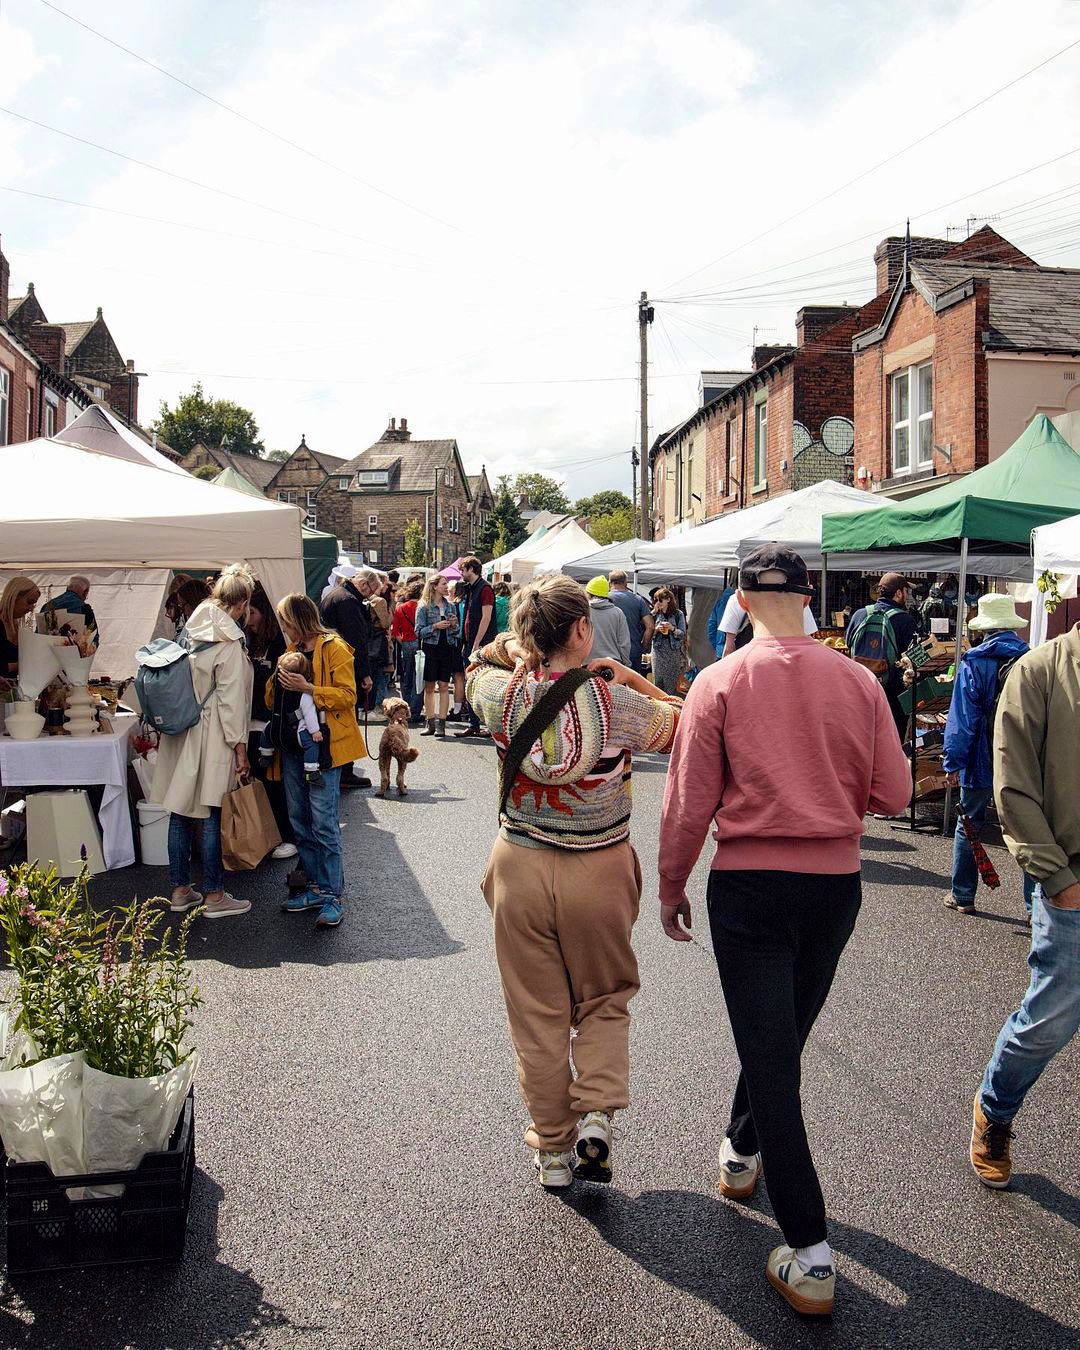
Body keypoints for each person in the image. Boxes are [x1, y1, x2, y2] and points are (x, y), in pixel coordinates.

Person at [658, 545, 910, 1318]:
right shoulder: (859, 680)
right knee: (780, 1037)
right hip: (832, 887)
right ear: (807, 595)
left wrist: (670, 886)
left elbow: (688, 802)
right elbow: (896, 794)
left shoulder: (720, 681)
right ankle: (740, 1151)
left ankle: (811, 1251)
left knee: (774, 1056)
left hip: (751, 887)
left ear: (740, 596)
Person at [467, 575, 682, 1190]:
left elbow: (475, 663)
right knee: (605, 996)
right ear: (583, 630)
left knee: (536, 1015)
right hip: (599, 867)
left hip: (520, 865)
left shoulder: (498, 696)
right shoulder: (615, 705)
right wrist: (628, 675)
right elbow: (684, 723)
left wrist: (509, 653)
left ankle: (553, 1153)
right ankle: (594, 1112)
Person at [969, 617, 1080, 1191]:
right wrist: (1058, 878)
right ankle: (996, 1109)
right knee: (1050, 1020)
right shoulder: (1038, 672)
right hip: (1071, 880)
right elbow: (1013, 787)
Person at [153, 565, 256, 921]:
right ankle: (214, 895)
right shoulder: (227, 643)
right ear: (241, 603)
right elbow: (231, 701)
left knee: (180, 811)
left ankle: (180, 889)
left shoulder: (190, 630)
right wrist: (240, 748)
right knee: (212, 812)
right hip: (213, 734)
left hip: (184, 727)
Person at [269, 593, 364, 928]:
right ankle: (315, 886)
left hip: (325, 747)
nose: (283, 627)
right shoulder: (292, 652)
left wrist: (308, 688)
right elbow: (272, 698)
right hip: (294, 746)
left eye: (285, 621)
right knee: (299, 819)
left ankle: (331, 894)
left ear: (298, 620)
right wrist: (278, 679)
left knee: (323, 819)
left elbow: (348, 697)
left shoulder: (334, 647)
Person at [942, 593, 1033, 917]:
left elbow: (962, 721)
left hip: (981, 757)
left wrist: (953, 762)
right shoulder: (1031, 659)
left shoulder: (973, 662)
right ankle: (1033, 906)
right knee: (1028, 830)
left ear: (985, 627)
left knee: (969, 823)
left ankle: (963, 895)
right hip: (1022, 759)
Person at [244, 588, 298, 864]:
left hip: (269, 720)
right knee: (260, 778)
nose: (248, 618)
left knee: (274, 780)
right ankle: (269, 833)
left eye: (252, 612)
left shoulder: (277, 643)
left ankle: (288, 835)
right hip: (250, 719)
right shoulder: (250, 640)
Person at [320, 566, 377, 788]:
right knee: (346, 717)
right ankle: (345, 770)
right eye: (371, 590)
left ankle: (343, 767)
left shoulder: (337, 595)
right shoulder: (348, 601)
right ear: (364, 585)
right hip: (344, 667)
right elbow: (356, 641)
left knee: (338, 717)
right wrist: (365, 674)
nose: (371, 595)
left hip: (333, 664)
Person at [846, 572, 919, 739]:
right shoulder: (905, 620)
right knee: (892, 741)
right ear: (899, 593)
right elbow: (913, 658)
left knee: (863, 738)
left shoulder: (860, 614)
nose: (907, 596)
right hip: (894, 695)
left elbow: (849, 644)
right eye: (906, 591)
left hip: (861, 689)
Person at [261, 650, 324, 782]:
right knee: (311, 745)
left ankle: (266, 754)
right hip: (297, 733)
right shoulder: (304, 695)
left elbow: (270, 705)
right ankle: (311, 770)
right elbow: (309, 714)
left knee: (265, 732)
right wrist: (315, 731)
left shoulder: (277, 689)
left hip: (276, 729)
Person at [456, 557, 497, 737]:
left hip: (481, 643)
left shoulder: (485, 588)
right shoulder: (471, 589)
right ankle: (474, 724)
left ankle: (487, 725)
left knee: (484, 683)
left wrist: (477, 643)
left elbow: (486, 618)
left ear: (471, 569)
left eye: (463, 570)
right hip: (470, 642)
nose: (461, 574)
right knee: (470, 683)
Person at [415, 574, 460, 737]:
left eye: (447, 584)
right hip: (430, 649)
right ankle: (430, 722)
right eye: (443, 584)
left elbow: (457, 632)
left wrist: (454, 626)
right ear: (434, 586)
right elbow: (418, 632)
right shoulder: (424, 607)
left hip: (446, 647)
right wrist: (435, 626)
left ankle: (442, 724)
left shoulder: (451, 606)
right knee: (429, 687)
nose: (446, 586)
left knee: (443, 685)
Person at [718, 586, 818, 657]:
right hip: (791, 664)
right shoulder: (796, 598)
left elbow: (729, 647)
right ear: (807, 599)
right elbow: (809, 639)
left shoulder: (739, 598)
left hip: (749, 665)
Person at [607, 570, 653, 674]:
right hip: (633, 651)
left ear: (610, 583)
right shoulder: (638, 599)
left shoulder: (604, 598)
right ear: (626, 583)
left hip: (609, 651)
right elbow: (650, 626)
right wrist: (644, 646)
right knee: (632, 687)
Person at [0, 576, 41, 692]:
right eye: (29, 602)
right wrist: (24, 664)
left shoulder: (16, 626)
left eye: (34, 604)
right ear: (14, 597)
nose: (31, 609)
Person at [391, 580, 423, 722]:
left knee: (406, 676)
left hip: (406, 643)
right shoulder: (423, 607)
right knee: (419, 678)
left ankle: (406, 709)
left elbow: (396, 631)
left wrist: (403, 642)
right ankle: (415, 711)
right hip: (420, 643)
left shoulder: (400, 608)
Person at [584, 576, 631, 666]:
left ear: (589, 593)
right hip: (612, 665)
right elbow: (624, 644)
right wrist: (626, 665)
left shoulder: (583, 612)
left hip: (587, 665)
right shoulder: (618, 612)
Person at [40, 575, 97, 648]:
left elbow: (39, 633)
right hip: (75, 655)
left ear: (67, 588)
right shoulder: (85, 608)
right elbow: (93, 637)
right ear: (85, 592)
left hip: (48, 653)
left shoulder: (48, 606)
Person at [649, 588, 687, 695]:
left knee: (671, 684)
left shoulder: (677, 614)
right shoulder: (654, 614)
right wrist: (656, 629)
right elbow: (646, 630)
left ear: (668, 600)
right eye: (656, 600)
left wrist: (672, 628)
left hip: (672, 652)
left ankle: (671, 706)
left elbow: (682, 634)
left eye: (660, 600)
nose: (658, 603)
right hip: (658, 651)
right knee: (658, 682)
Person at [707, 583, 737, 661]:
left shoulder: (719, 603)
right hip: (739, 649)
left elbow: (711, 626)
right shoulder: (741, 601)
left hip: (721, 651)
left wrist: (718, 645)